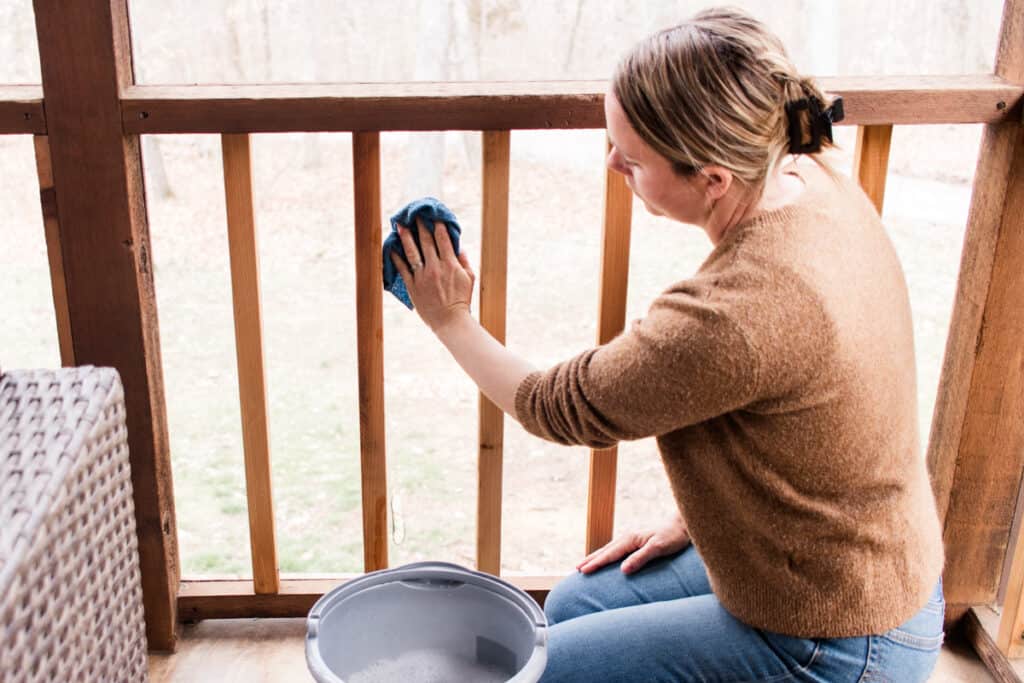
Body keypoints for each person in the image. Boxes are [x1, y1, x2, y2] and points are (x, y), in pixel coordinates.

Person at [389, 7, 945, 682]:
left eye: (633, 157)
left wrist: (450, 318)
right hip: (841, 563)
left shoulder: (737, 311)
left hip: (840, 635)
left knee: (544, 670)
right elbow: (805, 410)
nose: (611, 160)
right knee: (573, 602)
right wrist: (702, 518)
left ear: (712, 178)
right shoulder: (806, 169)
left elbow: (554, 405)